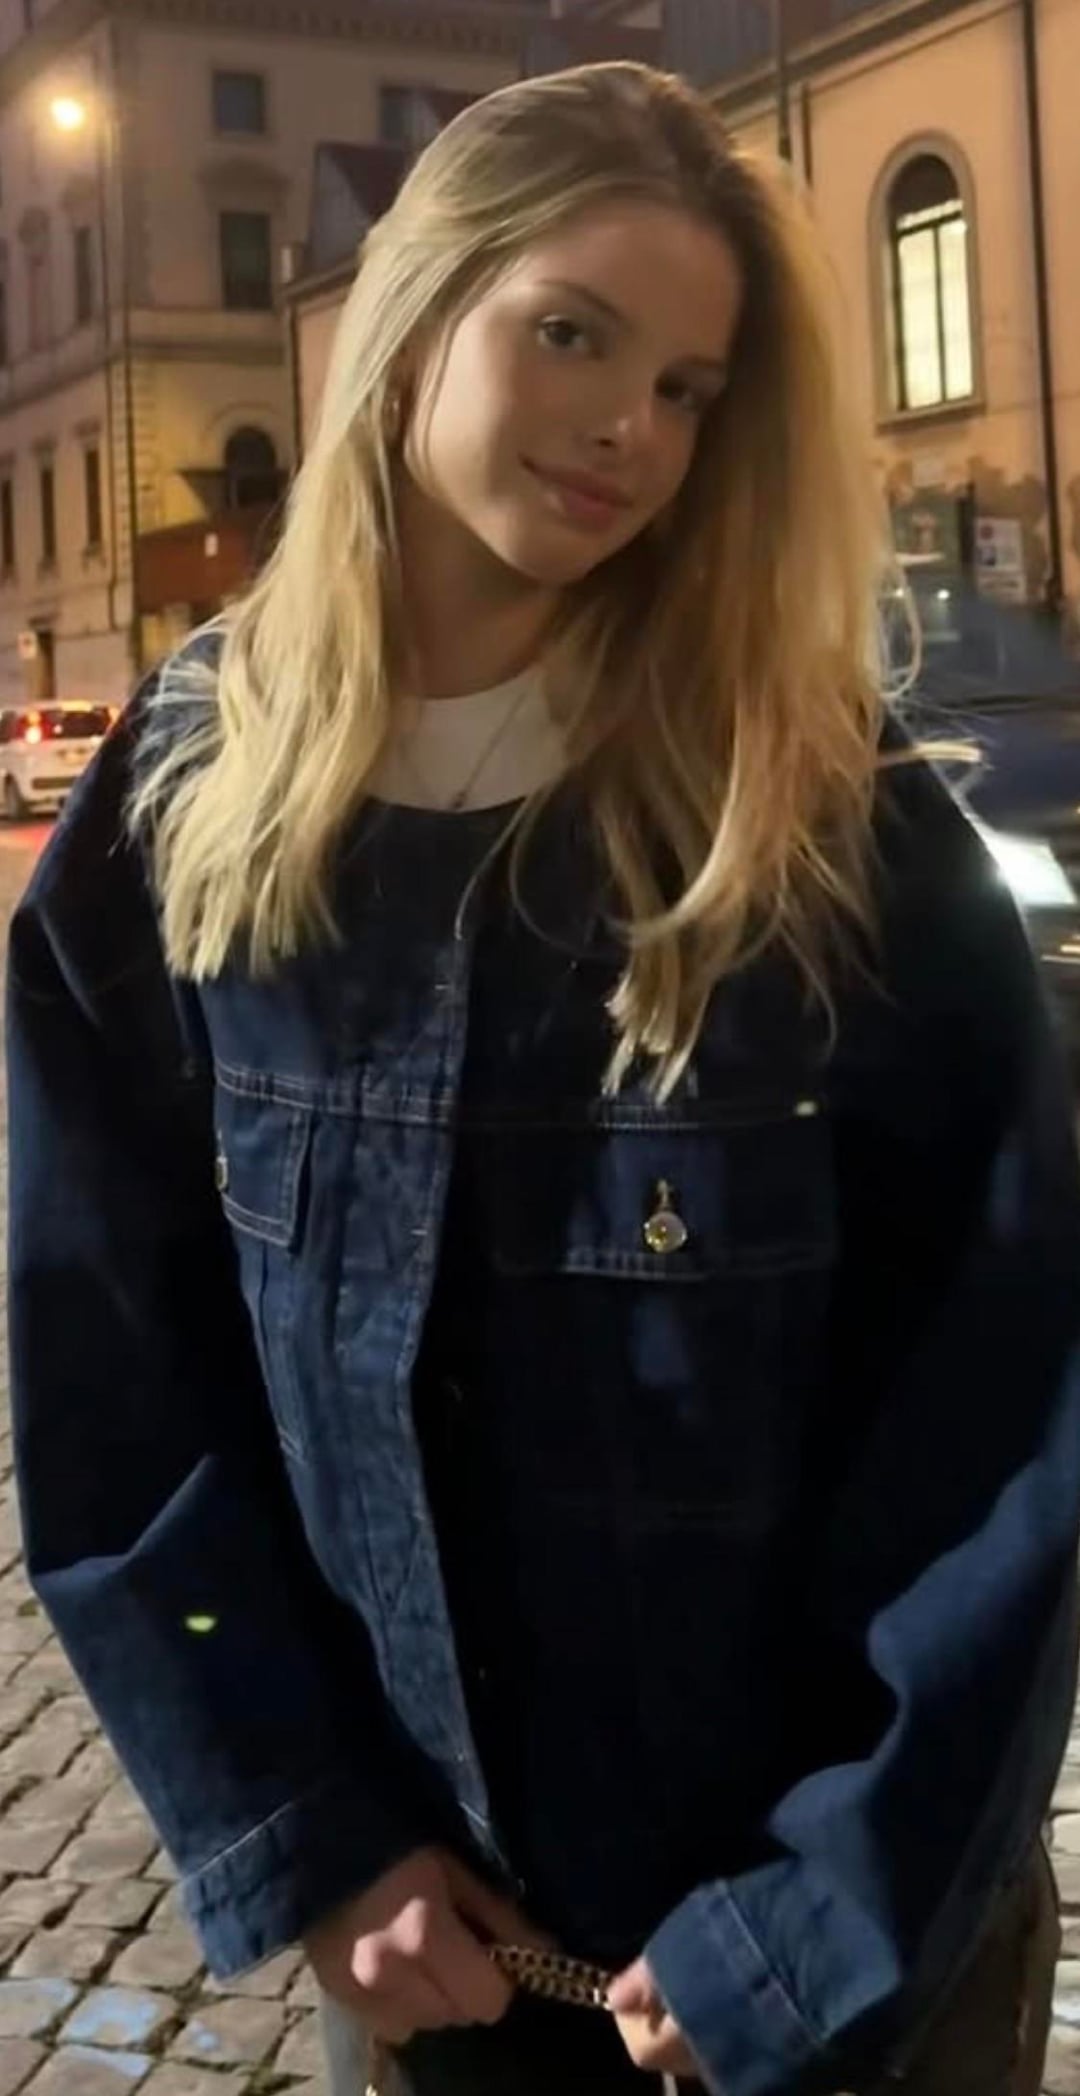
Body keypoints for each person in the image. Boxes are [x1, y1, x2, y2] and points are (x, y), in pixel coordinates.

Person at [7, 59, 1080, 2096]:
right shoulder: (186, 798)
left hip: (847, 1999)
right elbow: (117, 1395)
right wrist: (309, 1833)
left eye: (686, 388)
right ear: (419, 314)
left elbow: (1013, 1419)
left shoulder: (819, 817)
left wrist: (816, 1913)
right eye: (571, 334)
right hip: (442, 1973)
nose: (628, 430)